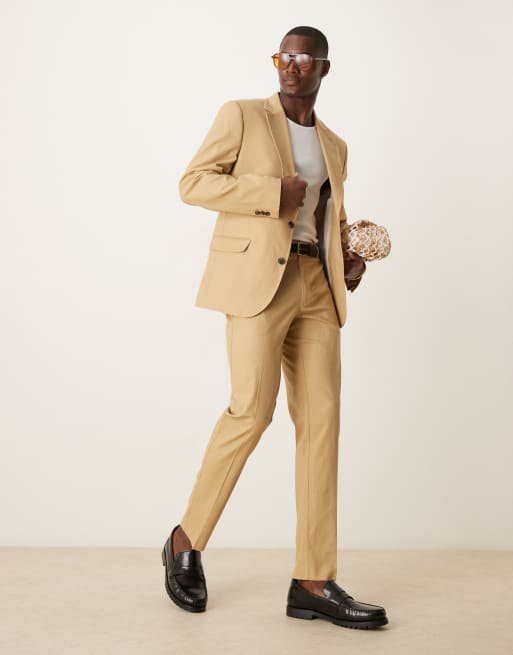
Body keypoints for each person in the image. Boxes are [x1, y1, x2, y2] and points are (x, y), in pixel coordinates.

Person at [161, 25, 388, 630]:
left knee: (322, 423)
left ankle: (313, 579)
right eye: (284, 56)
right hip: (259, 282)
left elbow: (327, 218)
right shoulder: (242, 115)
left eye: (305, 58)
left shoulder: (335, 144)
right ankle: (185, 540)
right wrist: (271, 192)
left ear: (324, 69)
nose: (292, 66)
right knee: (251, 411)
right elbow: (193, 182)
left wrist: (348, 261)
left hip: (317, 285)